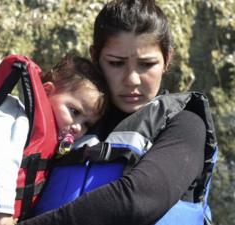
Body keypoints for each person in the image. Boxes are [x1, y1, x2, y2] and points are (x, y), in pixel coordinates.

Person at [18, 0, 218, 225]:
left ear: (167, 59)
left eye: (146, 64)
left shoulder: (186, 125)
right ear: (95, 57)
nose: (132, 79)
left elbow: (138, 200)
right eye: (116, 63)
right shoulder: (71, 120)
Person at [0, 54, 106, 225]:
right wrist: (3, 216)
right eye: (74, 111)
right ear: (47, 91)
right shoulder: (16, 118)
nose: (78, 127)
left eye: (87, 124)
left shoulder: (53, 135)